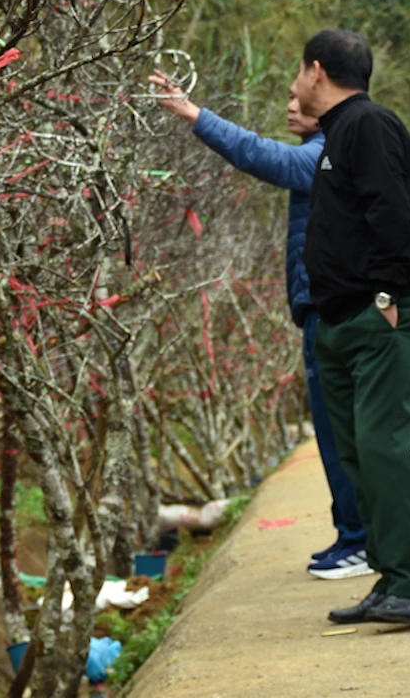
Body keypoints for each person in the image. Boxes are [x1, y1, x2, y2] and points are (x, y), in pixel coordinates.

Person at [146, 70, 370, 581]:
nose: (290, 106)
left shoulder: (323, 153)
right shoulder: (332, 146)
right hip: (318, 306)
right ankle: (353, 535)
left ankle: (359, 539)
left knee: (341, 435)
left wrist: (195, 116)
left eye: (298, 97)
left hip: (326, 308)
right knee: (338, 435)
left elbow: (268, 158)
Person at [292, 28, 410, 629]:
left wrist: (385, 293)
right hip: (340, 318)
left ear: (318, 70)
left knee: (382, 450)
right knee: (357, 454)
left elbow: (393, 215)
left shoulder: (368, 125)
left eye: (299, 73)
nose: (296, 85)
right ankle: (389, 577)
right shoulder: (335, 135)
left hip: (378, 313)